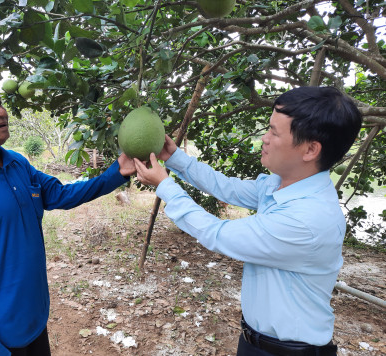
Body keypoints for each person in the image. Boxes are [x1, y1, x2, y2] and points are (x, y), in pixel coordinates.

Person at [135, 86, 362, 356]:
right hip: (256, 342)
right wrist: (175, 159)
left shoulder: (306, 220)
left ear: (311, 149)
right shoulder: (280, 185)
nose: (264, 139)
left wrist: (165, 186)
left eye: (274, 132)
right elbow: (227, 187)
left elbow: (217, 234)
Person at [0, 75, 136, 356]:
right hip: (0, 337)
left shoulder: (17, 164)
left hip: (34, 317)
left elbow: (61, 194)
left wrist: (116, 173)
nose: (1, 111)